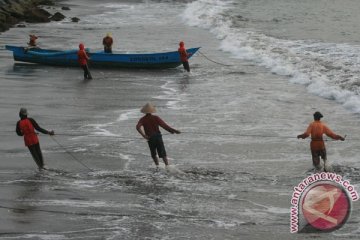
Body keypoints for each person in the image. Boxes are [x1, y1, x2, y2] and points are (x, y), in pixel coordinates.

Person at [136, 103, 180, 168]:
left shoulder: (143, 119)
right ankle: (167, 166)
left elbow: (137, 127)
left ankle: (157, 166)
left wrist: (144, 135)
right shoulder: (156, 118)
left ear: (144, 112)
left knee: (153, 153)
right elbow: (164, 126)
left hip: (150, 138)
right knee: (162, 152)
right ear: (152, 111)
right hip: (158, 137)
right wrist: (173, 131)